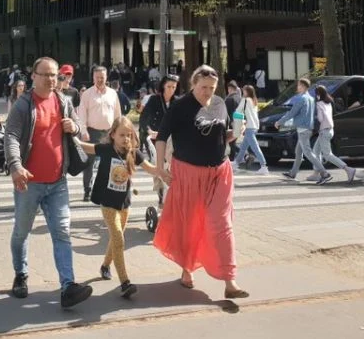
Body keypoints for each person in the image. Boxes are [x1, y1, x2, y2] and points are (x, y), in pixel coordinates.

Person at [4, 57, 92, 309]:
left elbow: (79, 128)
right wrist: (16, 166)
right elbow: (11, 136)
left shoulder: (63, 101)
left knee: (62, 232)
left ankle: (68, 287)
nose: (52, 79)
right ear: (34, 76)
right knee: (22, 231)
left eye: (56, 75)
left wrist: (73, 126)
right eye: (46, 75)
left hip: (58, 182)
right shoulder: (23, 105)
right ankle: (21, 274)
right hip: (29, 183)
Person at [153, 64, 247, 299]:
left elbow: (222, 136)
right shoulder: (180, 106)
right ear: (193, 84)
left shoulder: (219, 104)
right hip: (188, 171)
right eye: (204, 87)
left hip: (219, 171)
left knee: (221, 223)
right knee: (190, 222)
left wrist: (237, 132)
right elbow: (162, 137)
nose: (208, 92)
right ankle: (187, 270)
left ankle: (230, 281)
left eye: (212, 88)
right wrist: (159, 168)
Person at [75, 116, 157, 299]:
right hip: (108, 204)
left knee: (115, 239)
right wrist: (70, 135)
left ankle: (105, 266)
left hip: (124, 204)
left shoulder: (134, 153)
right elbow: (84, 146)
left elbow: (150, 168)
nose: (126, 139)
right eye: (122, 135)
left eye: (129, 135)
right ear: (112, 135)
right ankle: (125, 283)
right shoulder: (106, 149)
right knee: (119, 239)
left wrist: (163, 173)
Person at [77, 66, 123, 202]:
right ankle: (87, 190)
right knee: (89, 163)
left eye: (102, 77)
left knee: (110, 162)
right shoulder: (87, 95)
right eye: (97, 77)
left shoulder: (112, 94)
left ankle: (107, 189)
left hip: (109, 133)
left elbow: (117, 114)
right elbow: (82, 116)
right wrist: (84, 132)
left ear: (106, 77)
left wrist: (118, 131)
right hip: (92, 133)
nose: (100, 80)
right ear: (93, 78)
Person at [277, 78, 330, 183]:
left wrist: (279, 122)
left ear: (304, 86)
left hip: (303, 129)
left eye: (299, 85)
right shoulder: (310, 98)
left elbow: (292, 113)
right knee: (298, 152)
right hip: (307, 128)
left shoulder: (301, 99)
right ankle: (293, 173)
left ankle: (324, 173)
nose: (297, 87)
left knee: (308, 152)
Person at [139, 74, 178, 206]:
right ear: (163, 86)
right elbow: (144, 118)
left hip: (171, 139)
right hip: (155, 137)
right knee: (158, 165)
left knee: (171, 166)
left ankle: (171, 192)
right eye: (169, 87)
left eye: (174, 87)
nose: (171, 90)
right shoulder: (154, 100)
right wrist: (149, 131)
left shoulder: (177, 102)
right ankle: (161, 191)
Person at [312, 85, 356, 183]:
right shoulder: (329, 102)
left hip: (324, 131)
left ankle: (348, 169)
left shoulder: (319, 104)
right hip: (330, 130)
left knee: (327, 155)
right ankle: (317, 173)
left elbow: (320, 119)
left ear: (318, 95)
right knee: (316, 150)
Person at [231, 85, 270, 175]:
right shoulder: (254, 101)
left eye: (244, 91)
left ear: (247, 92)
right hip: (255, 126)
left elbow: (238, 111)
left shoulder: (245, 100)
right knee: (244, 147)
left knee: (255, 147)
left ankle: (264, 166)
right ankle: (236, 163)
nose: (242, 92)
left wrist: (235, 119)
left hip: (249, 127)